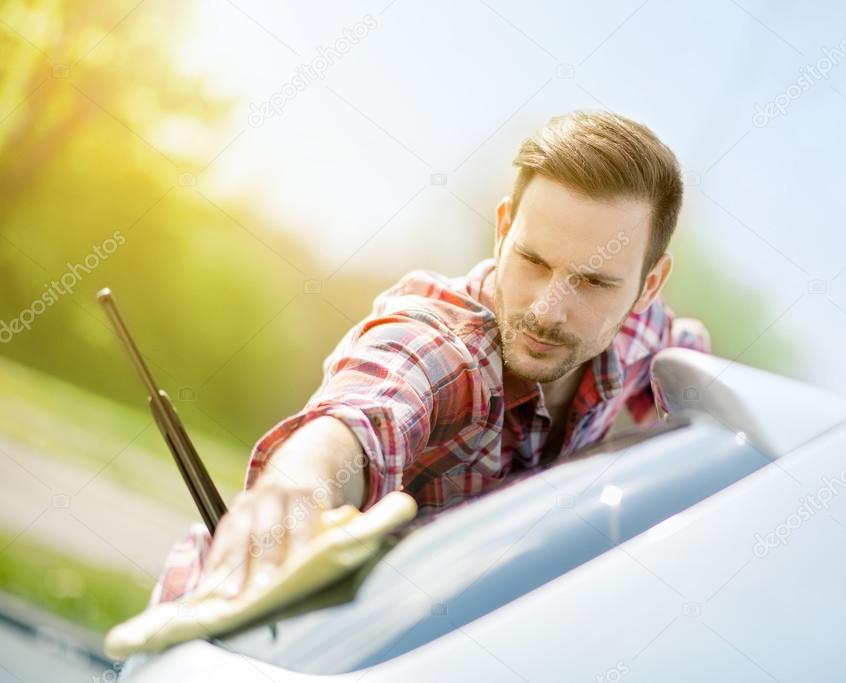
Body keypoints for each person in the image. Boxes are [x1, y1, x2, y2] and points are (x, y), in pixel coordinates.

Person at [151, 109, 711, 606]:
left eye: (591, 283)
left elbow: (700, 377)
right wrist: (300, 482)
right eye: (533, 261)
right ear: (502, 230)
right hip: (235, 628)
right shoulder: (447, 345)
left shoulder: (648, 341)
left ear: (647, 286)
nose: (547, 310)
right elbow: (376, 397)